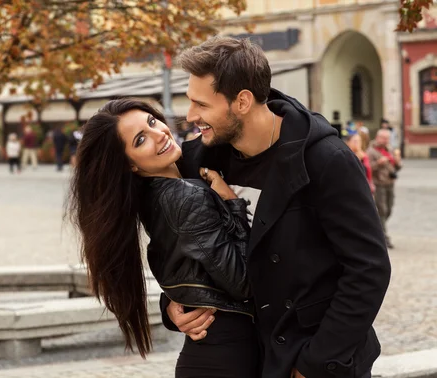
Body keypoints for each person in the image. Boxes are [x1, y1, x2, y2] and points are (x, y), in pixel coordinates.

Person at [160, 36, 391, 378]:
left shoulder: (327, 161)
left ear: (242, 101)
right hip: (240, 355)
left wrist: (315, 362)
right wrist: (173, 306)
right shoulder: (200, 157)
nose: (191, 116)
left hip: (315, 357)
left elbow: (368, 269)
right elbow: (186, 251)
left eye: (201, 104)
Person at [68, 98, 257, 377]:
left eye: (152, 122)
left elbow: (187, 265)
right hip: (228, 358)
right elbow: (243, 281)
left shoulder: (154, 197)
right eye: (141, 140)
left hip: (216, 353)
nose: (160, 134)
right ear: (130, 165)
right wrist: (233, 204)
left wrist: (171, 303)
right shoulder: (184, 196)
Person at [367, 129, 402, 249]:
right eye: (383, 138)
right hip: (378, 184)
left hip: (390, 183)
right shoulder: (371, 151)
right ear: (377, 137)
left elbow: (396, 168)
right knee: (382, 210)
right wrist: (378, 163)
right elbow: (367, 168)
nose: (386, 141)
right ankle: (384, 237)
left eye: (387, 138)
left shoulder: (389, 150)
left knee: (389, 209)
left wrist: (398, 162)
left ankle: (375, 228)